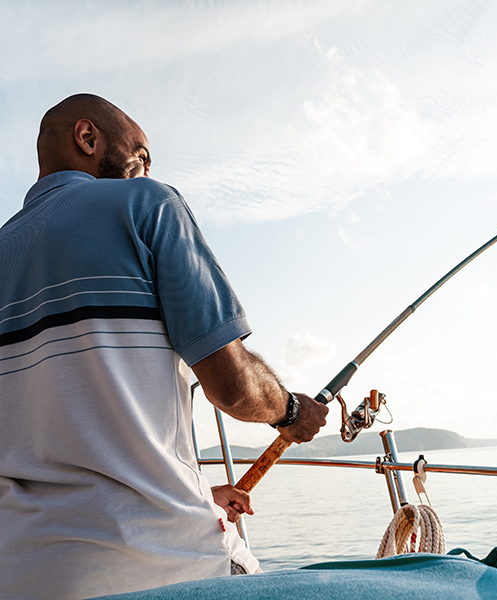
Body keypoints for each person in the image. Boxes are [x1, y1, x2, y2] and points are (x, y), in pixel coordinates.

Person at [0, 94, 328, 600]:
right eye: (142, 153)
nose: (147, 168)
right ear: (88, 139)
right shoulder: (147, 204)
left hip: (20, 571)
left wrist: (200, 493)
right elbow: (235, 388)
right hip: (160, 562)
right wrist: (288, 412)